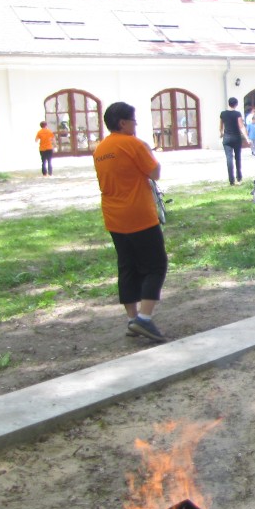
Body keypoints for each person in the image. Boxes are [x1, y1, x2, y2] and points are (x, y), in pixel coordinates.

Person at [92, 102, 168, 343]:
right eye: (134, 121)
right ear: (123, 122)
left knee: (127, 267)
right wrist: (147, 149)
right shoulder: (133, 144)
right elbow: (155, 173)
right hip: (138, 214)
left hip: (114, 216)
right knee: (156, 265)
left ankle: (132, 319)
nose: (136, 125)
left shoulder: (100, 149)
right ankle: (144, 319)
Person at [219, 97, 250, 185]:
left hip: (227, 138)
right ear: (236, 104)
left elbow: (220, 126)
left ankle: (231, 180)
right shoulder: (237, 114)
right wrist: (247, 138)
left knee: (229, 158)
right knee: (237, 157)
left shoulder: (223, 114)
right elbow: (241, 126)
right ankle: (239, 177)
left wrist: (221, 133)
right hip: (236, 138)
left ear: (228, 103)